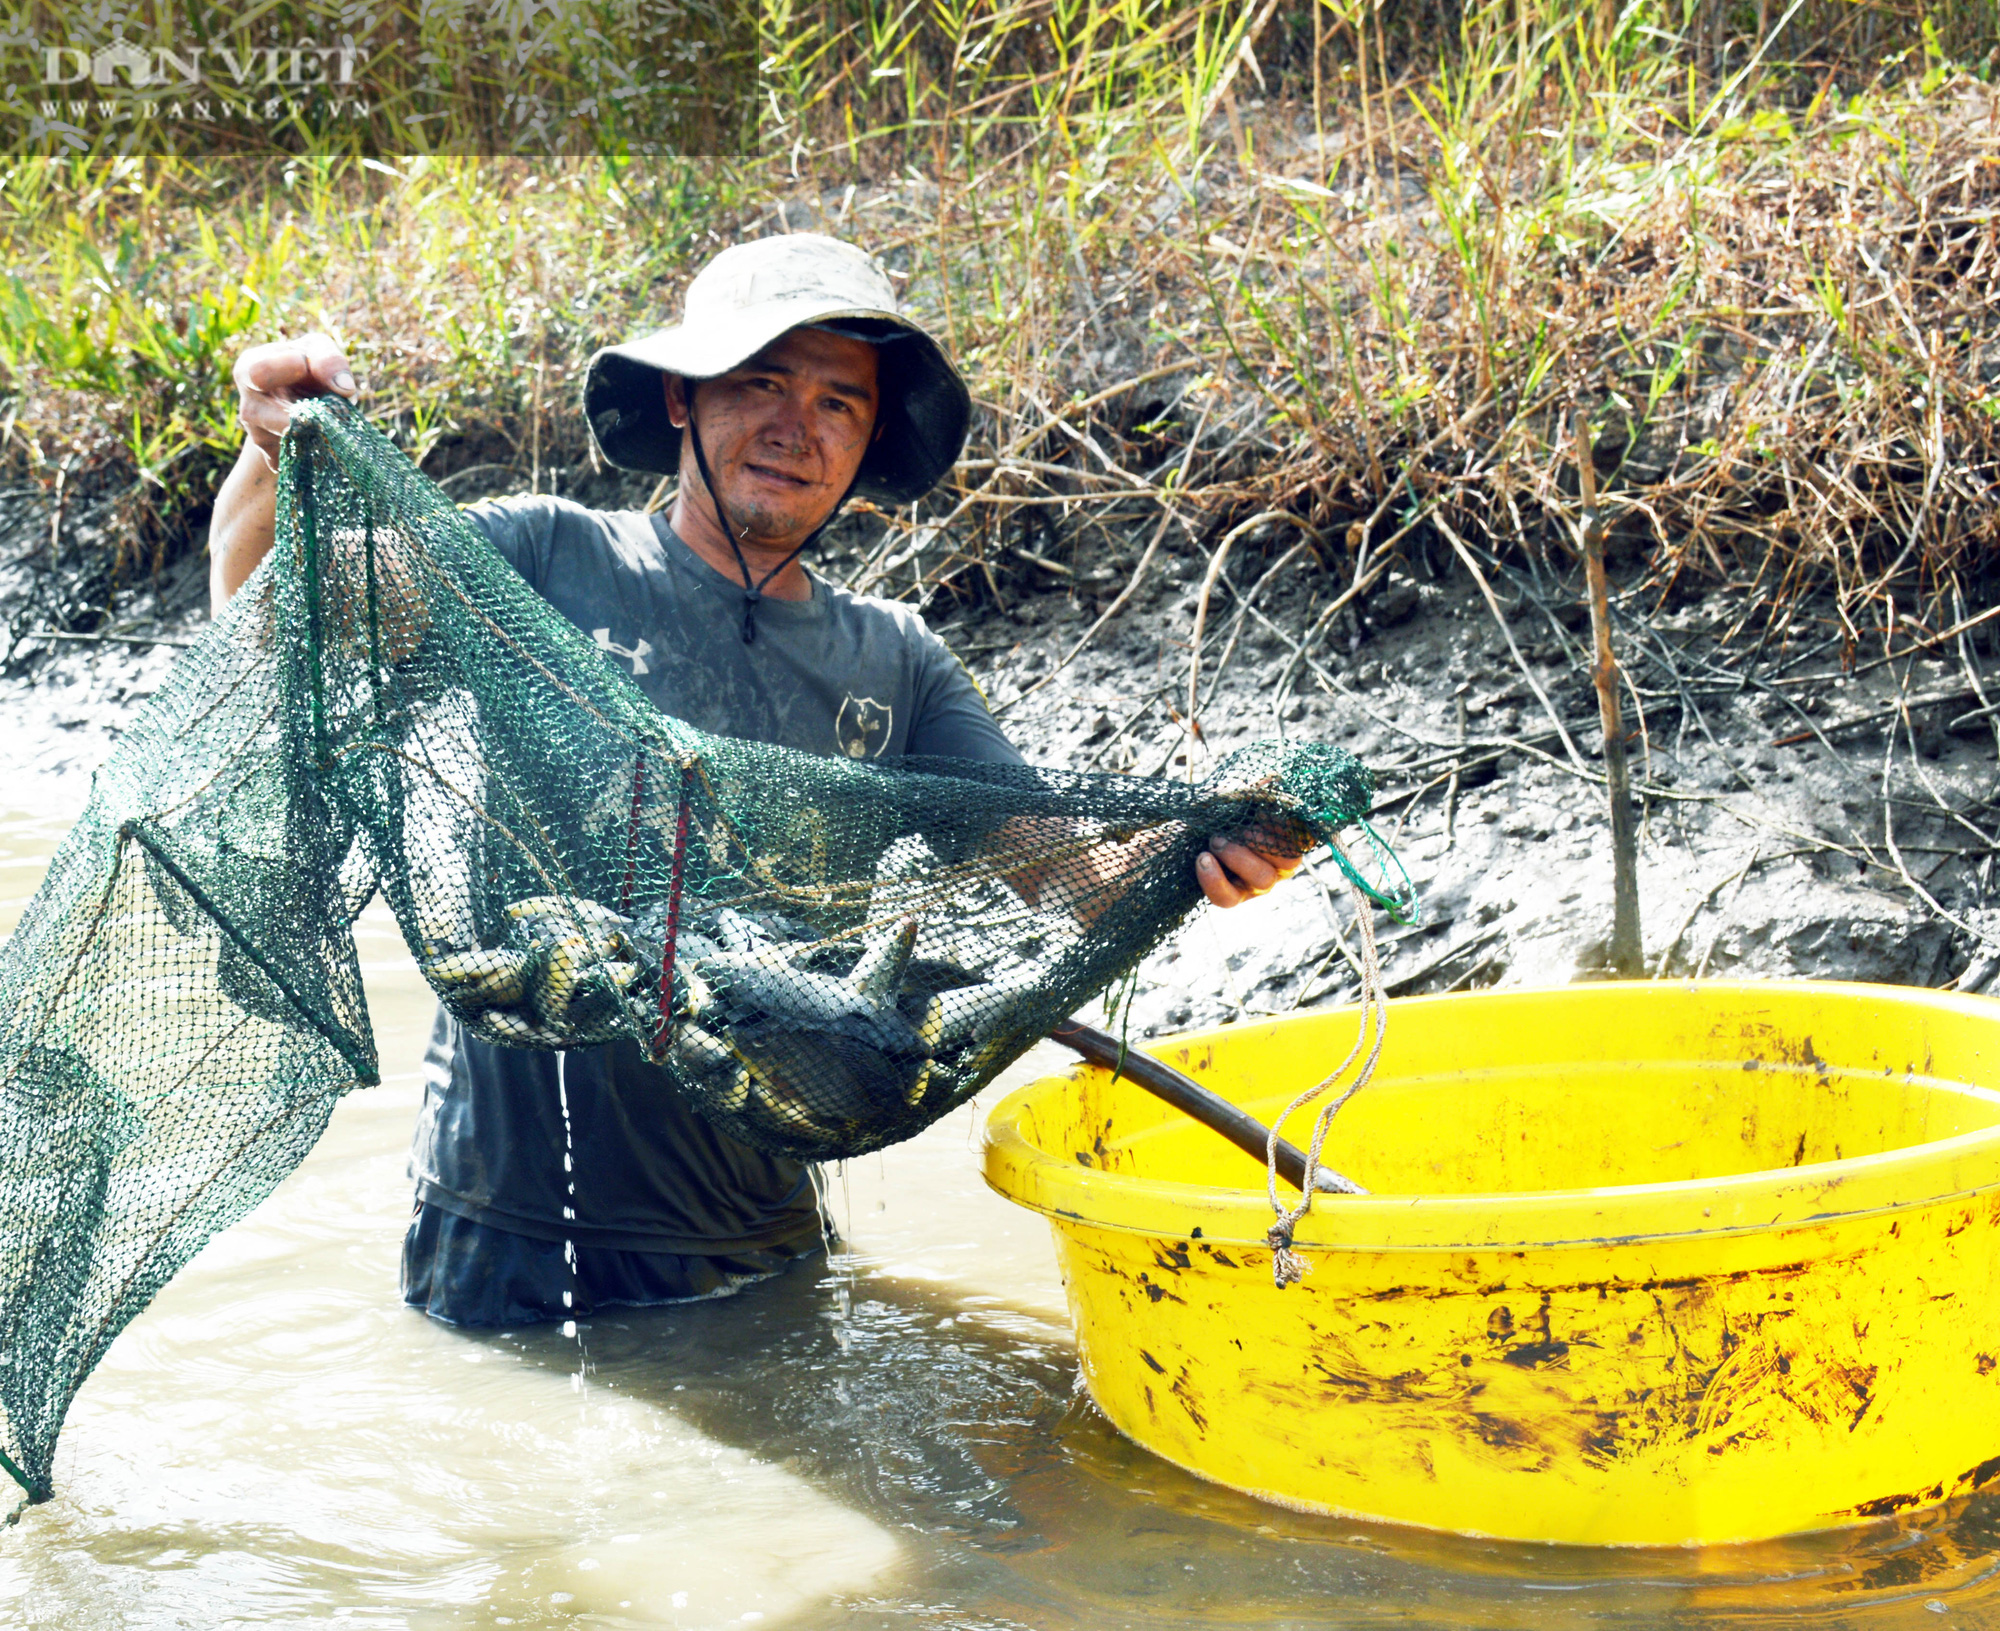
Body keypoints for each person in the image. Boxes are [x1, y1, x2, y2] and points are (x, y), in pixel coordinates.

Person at [209, 233, 1301, 1328]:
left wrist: (1217, 848)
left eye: (838, 401)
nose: (796, 425)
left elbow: (1066, 870)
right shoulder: (541, 559)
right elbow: (275, 618)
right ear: (683, 399)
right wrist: (269, 455)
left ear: (868, 440)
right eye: (761, 381)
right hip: (504, 1243)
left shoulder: (897, 664)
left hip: (764, 1248)